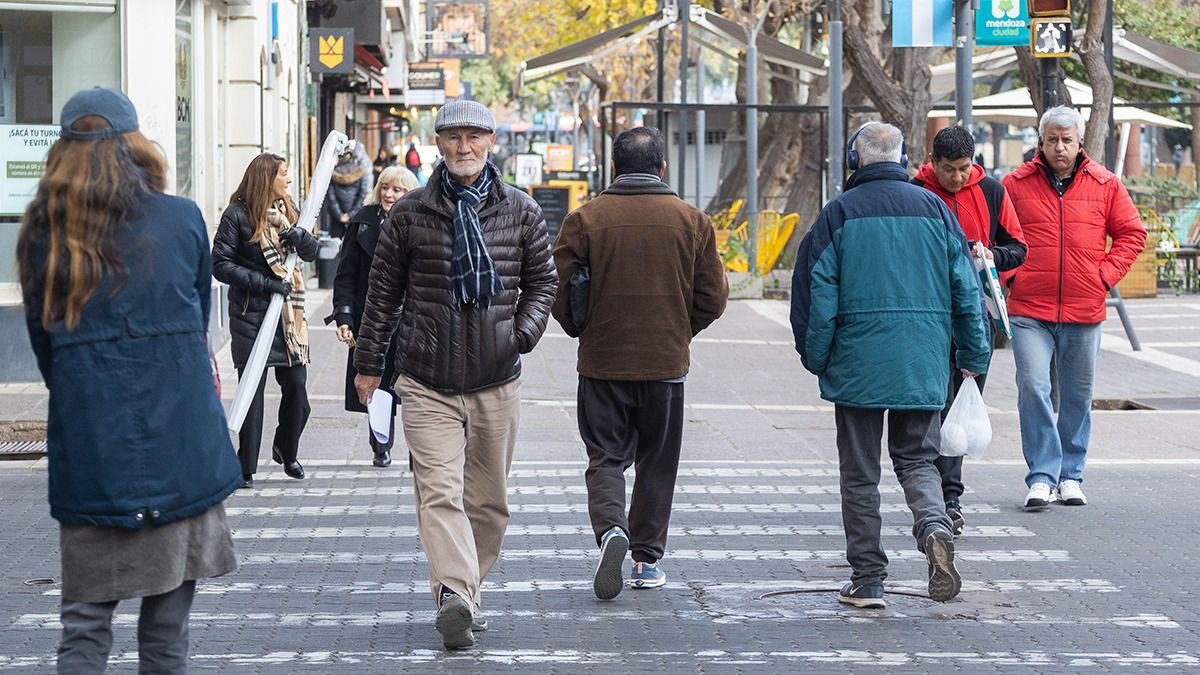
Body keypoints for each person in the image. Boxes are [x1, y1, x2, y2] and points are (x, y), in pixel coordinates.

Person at [17, 87, 241, 673]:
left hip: (93, 449)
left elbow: (48, 357)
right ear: (135, 144)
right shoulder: (181, 218)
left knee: (85, 628)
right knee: (167, 634)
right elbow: (198, 327)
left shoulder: (43, 236)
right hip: (182, 442)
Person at [352, 99, 557, 650]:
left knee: (488, 505)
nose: (463, 147)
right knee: (439, 495)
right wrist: (368, 364)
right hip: (426, 380)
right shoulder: (410, 212)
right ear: (437, 144)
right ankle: (456, 597)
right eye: (452, 138)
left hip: (496, 378)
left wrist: (522, 334)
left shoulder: (521, 210)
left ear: (492, 142)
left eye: (473, 137)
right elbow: (381, 295)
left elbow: (544, 281)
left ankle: (466, 588)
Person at [790, 122, 991, 609]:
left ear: (856, 161)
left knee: (860, 475)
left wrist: (818, 359)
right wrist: (972, 356)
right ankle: (935, 527)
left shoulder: (837, 215)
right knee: (918, 459)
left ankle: (868, 579)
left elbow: (816, 296)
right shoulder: (937, 211)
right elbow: (967, 291)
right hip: (922, 362)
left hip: (857, 366)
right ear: (902, 159)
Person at [551, 126, 728, 600]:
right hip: (665, 367)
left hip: (602, 364)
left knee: (605, 456)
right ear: (662, 168)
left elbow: (560, 290)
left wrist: (581, 329)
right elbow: (713, 297)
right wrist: (677, 329)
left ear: (613, 167)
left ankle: (612, 529)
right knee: (657, 463)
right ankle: (646, 561)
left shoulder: (585, 219)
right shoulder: (692, 221)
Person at [1001, 106, 1146, 510]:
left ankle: (1070, 475)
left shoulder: (1105, 184)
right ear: (1041, 141)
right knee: (1033, 386)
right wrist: (1012, 279)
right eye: (1052, 139)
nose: (1059, 147)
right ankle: (1042, 476)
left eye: (1067, 139)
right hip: (1030, 309)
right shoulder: (1014, 185)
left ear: (1079, 142)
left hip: (1084, 310)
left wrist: (1103, 276)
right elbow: (996, 237)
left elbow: (1132, 234)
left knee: (1078, 397)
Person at [912, 125, 1027, 535]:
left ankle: (951, 497)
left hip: (976, 318)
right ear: (933, 162)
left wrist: (989, 255)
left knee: (962, 405)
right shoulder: (917, 191)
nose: (957, 177)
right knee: (932, 404)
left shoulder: (993, 192)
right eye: (948, 169)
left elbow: (1018, 247)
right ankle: (933, 493)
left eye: (964, 168)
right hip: (928, 317)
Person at [212, 153, 319, 488]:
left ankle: (286, 450)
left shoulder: (289, 210)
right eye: (283, 174)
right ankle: (245, 468)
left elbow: (311, 251)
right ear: (266, 178)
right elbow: (220, 264)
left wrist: (303, 241)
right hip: (251, 314)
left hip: (289, 319)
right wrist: (267, 284)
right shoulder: (237, 215)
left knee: (298, 389)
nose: (288, 179)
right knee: (252, 393)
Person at [326, 166, 420, 467]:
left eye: (398, 189)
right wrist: (344, 316)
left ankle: (422, 449)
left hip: (412, 319)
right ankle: (381, 444)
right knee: (375, 383)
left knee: (417, 389)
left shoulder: (422, 222)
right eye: (385, 188)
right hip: (372, 317)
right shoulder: (363, 223)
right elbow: (345, 276)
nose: (389, 194)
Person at [326, 144, 372, 237]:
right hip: (356, 215)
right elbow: (362, 194)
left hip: (337, 218)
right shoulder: (359, 171)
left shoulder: (333, 173)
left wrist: (339, 215)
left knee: (337, 244)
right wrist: (351, 213)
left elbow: (331, 197)